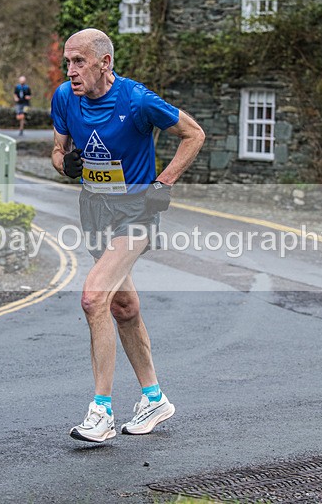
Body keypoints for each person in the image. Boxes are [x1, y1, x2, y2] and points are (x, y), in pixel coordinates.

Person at [50, 28, 205, 443]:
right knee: (123, 306)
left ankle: (100, 412)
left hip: (136, 213)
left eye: (79, 62)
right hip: (95, 211)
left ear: (105, 63)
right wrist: (65, 164)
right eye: (67, 62)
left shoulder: (136, 100)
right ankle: (154, 398)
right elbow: (57, 151)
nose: (71, 71)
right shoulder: (65, 97)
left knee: (93, 297)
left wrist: (164, 182)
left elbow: (194, 134)